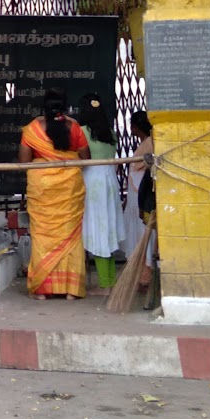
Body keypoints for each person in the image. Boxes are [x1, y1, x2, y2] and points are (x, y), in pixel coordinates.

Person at [18, 89, 90, 299]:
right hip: (69, 189)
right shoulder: (74, 126)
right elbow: (86, 157)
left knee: (43, 237)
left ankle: (42, 290)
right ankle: (71, 290)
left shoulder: (32, 129)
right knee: (71, 236)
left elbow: (24, 162)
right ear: (65, 107)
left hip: (42, 188)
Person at [77, 93, 121, 295]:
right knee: (108, 229)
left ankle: (104, 283)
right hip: (110, 181)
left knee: (97, 229)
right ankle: (110, 280)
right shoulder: (111, 133)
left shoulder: (81, 132)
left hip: (92, 181)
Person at [120, 111, 157, 288]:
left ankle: (145, 274)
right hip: (138, 191)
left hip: (141, 192)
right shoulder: (148, 142)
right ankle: (142, 273)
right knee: (140, 231)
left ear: (135, 127)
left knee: (142, 232)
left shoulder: (150, 143)